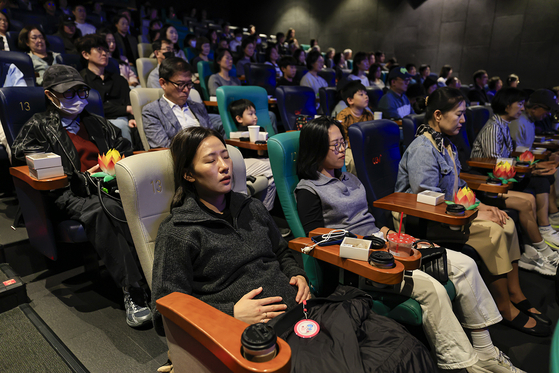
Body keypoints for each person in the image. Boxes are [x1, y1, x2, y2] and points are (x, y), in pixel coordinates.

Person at [151, 125, 436, 373]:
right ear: (189, 175)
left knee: (402, 346)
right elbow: (165, 314)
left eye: (225, 156)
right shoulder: (179, 233)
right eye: (210, 161)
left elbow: (282, 252)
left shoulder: (251, 207)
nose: (224, 166)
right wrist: (230, 313)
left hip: (305, 312)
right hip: (259, 336)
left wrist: (296, 274)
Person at [295, 116, 529, 372]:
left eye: (343, 143)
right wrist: (373, 246)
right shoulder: (309, 190)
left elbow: (367, 220)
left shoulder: (349, 177)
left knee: (465, 264)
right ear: (316, 148)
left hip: (380, 240)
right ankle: (466, 365)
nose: (342, 149)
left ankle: (485, 351)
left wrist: (392, 235)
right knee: (433, 290)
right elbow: (317, 239)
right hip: (357, 260)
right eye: (335, 145)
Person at [396, 87, 552, 338]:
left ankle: (515, 293)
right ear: (438, 115)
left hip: (451, 213)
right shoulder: (423, 149)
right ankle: (504, 308)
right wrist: (476, 215)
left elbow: (459, 187)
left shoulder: (446, 144)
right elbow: (428, 201)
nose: (463, 120)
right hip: (424, 220)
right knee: (493, 231)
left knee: (506, 222)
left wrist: (481, 205)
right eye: (458, 115)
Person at [12, 65, 151, 328]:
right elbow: (22, 154)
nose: (78, 99)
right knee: (104, 210)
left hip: (108, 186)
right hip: (67, 191)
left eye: (81, 91)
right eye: (69, 93)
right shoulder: (40, 125)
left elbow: (121, 144)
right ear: (51, 96)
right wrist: (79, 176)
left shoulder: (96, 122)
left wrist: (115, 162)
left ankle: (158, 277)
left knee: (143, 200)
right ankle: (134, 291)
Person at [471, 88, 559, 250]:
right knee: (532, 193)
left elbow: (506, 159)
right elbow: (495, 163)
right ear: (506, 106)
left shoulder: (503, 125)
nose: (522, 108)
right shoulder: (493, 128)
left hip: (501, 178)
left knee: (539, 183)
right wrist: (532, 168)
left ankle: (536, 239)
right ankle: (537, 243)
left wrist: (533, 167)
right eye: (519, 104)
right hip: (488, 181)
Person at [142, 57, 224, 150]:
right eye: (180, 84)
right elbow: (163, 145)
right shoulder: (152, 111)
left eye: (189, 84)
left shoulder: (198, 107)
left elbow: (212, 136)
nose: (186, 90)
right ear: (163, 83)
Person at [77, 34, 136, 143]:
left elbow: (129, 102)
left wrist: (132, 117)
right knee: (121, 125)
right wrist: (126, 109)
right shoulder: (81, 81)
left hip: (124, 119)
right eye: (99, 50)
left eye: (106, 50)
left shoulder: (119, 80)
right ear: (86, 54)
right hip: (96, 121)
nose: (104, 53)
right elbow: (91, 108)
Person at [229, 98, 277, 210]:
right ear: (239, 118)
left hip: (260, 160)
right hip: (247, 161)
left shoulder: (260, 129)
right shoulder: (239, 134)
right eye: (250, 114)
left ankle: (264, 211)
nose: (255, 116)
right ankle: (265, 211)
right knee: (275, 168)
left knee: (273, 175)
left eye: (255, 113)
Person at [335, 80, 373, 174]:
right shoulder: (343, 116)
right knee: (352, 160)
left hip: (365, 146)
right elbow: (341, 139)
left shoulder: (368, 114)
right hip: (348, 147)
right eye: (361, 94)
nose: (366, 97)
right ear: (350, 100)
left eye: (366, 94)